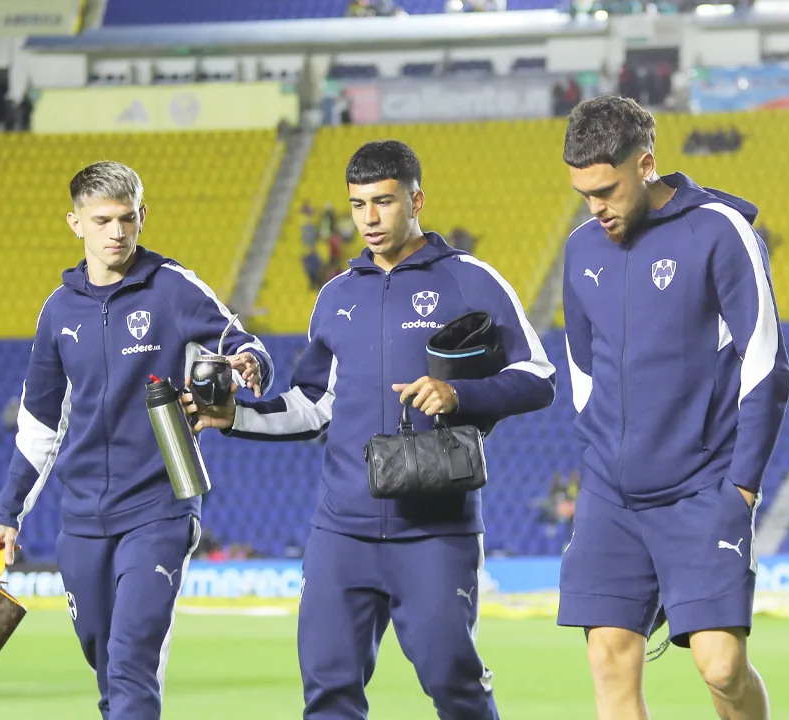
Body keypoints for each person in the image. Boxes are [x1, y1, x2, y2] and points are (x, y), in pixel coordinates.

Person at [185, 140, 555, 719]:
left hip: (435, 530)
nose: (370, 219)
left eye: (384, 202)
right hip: (341, 532)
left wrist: (461, 394)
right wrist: (236, 417)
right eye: (359, 205)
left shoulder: (470, 280)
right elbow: (314, 405)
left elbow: (538, 375)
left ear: (417, 200)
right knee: (328, 693)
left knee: (452, 683)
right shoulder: (336, 296)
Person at [0, 161, 273, 719]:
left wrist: (246, 365)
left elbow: (243, 342)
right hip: (83, 520)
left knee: (131, 662)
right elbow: (41, 425)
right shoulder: (57, 311)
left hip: (160, 509)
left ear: (143, 216)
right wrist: (6, 516)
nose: (116, 232)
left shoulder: (172, 288)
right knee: (108, 670)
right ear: (76, 223)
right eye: (102, 220)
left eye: (126, 218)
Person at [557, 95, 789, 720]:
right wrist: (598, 457)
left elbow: (766, 363)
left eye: (606, 189)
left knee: (721, 668)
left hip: (701, 490)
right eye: (583, 193)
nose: (595, 208)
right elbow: (583, 369)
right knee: (609, 662)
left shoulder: (719, 230)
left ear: (647, 164)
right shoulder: (581, 250)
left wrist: (741, 487)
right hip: (611, 493)